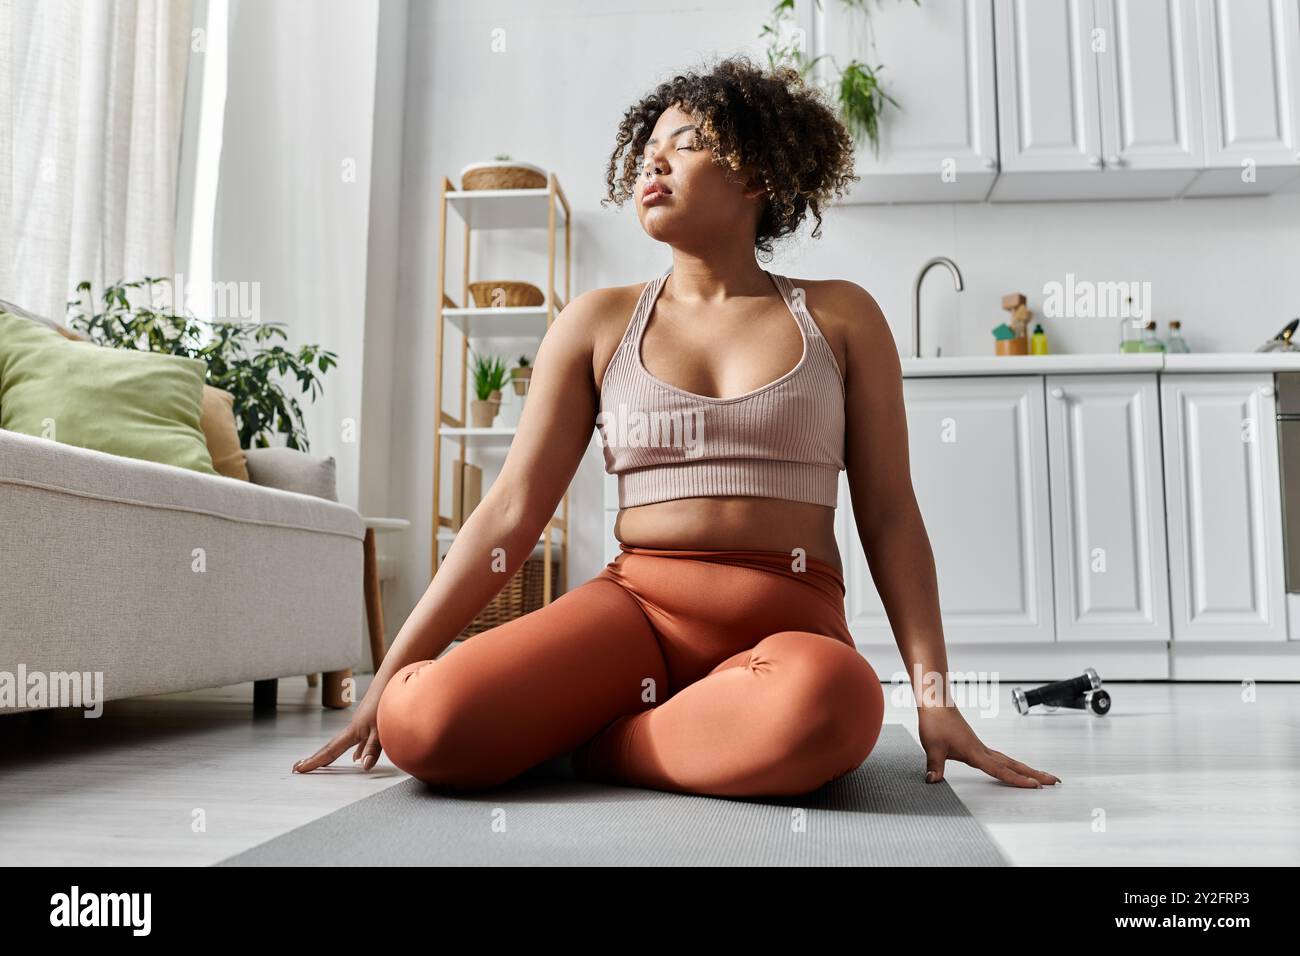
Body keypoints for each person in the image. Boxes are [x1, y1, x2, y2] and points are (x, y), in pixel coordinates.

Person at [293, 55, 1060, 797]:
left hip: (788, 631)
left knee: (835, 702)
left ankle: (600, 745)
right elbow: (511, 511)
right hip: (634, 616)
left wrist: (933, 695)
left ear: (757, 175)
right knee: (422, 721)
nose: (652, 165)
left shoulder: (841, 315)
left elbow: (890, 516)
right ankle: (684, 737)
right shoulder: (595, 323)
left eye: (685, 146)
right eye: (646, 152)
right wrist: (390, 673)